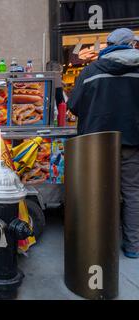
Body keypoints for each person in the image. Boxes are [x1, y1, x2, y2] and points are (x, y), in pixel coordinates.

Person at [68, 28, 139, 259]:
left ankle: (98, 246)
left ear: (108, 44)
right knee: (132, 193)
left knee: (97, 192)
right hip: (131, 142)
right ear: (130, 45)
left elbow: (74, 106)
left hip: (96, 144)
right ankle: (132, 246)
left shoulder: (91, 71)